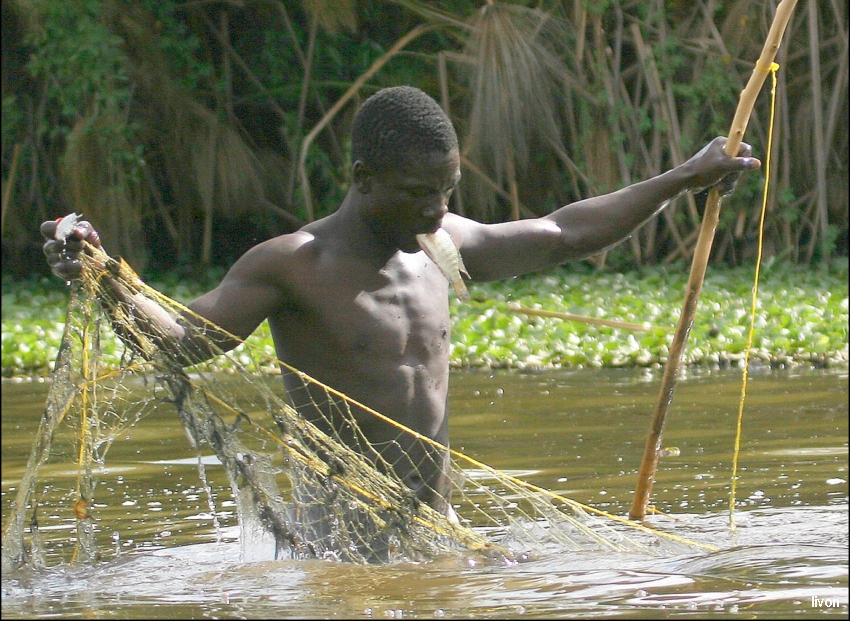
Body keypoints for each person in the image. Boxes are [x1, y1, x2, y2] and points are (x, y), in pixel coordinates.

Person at [42, 85, 759, 526]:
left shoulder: (441, 245)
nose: (438, 205)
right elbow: (185, 341)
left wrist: (684, 178)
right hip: (342, 546)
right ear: (363, 178)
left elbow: (563, 233)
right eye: (419, 191)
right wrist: (102, 279)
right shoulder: (296, 264)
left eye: (446, 188)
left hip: (438, 527)